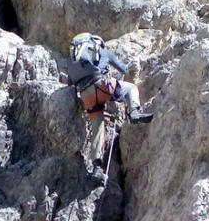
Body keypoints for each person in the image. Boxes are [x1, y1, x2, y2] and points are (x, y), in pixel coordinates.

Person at [64, 34, 153, 185]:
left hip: (87, 96)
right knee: (131, 88)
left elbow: (70, 81)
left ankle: (96, 167)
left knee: (97, 130)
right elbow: (124, 69)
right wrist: (129, 67)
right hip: (103, 85)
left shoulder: (77, 60)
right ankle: (134, 113)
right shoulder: (104, 52)